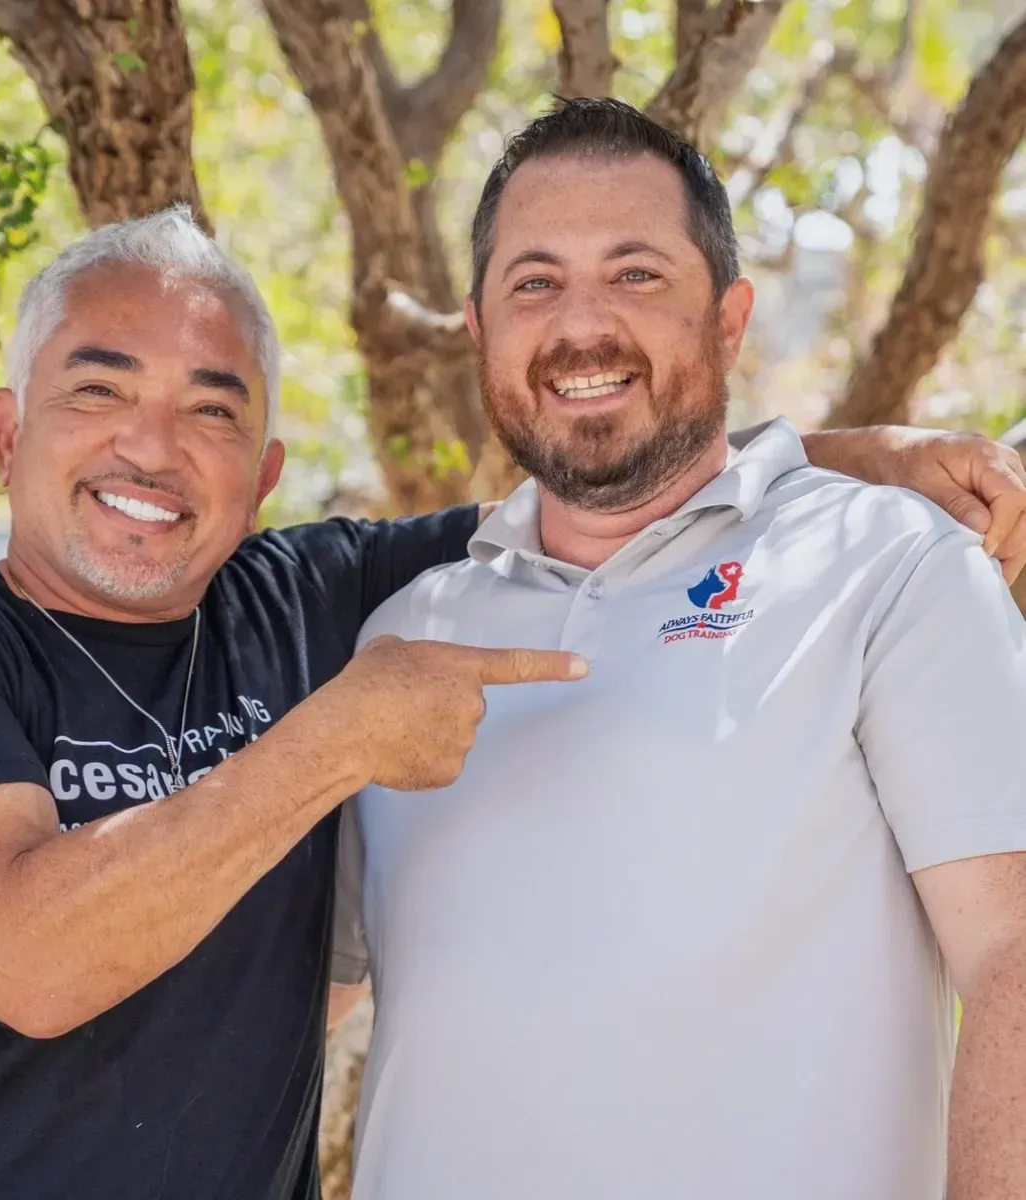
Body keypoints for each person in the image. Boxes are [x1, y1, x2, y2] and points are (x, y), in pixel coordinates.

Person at [0, 211, 1017, 1200]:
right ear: (6, 432)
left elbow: (614, 485)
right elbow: (32, 959)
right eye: (98, 392)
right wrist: (326, 745)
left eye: (213, 410)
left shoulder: (313, 600)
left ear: (264, 473)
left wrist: (875, 457)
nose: (153, 449)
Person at [332, 98, 1026, 1200]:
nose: (581, 324)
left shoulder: (886, 565)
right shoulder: (401, 633)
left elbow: (1011, 959)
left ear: (729, 321)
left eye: (636, 274)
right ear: (479, 329)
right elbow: (288, 1009)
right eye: (534, 281)